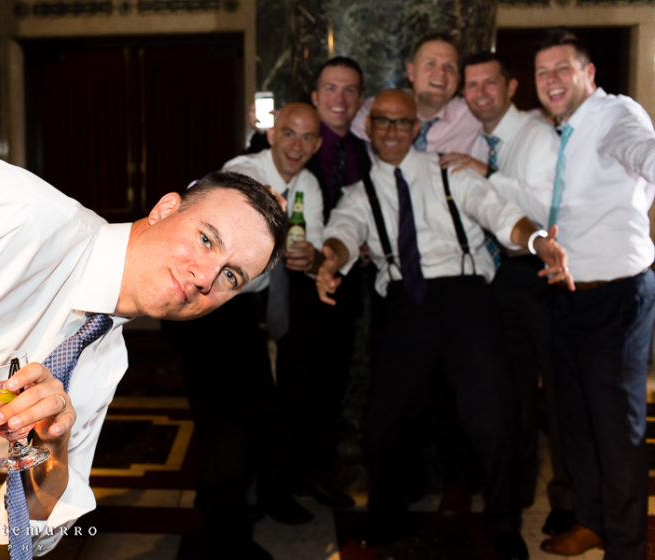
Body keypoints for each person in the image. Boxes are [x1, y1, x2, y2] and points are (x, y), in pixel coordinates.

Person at [0, 150, 287, 560]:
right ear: (165, 209)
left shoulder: (101, 359)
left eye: (231, 277)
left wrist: (53, 453)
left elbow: (31, 530)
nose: (206, 277)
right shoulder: (6, 209)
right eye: (207, 239)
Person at [316, 89, 574, 560]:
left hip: (464, 298)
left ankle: (502, 522)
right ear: (369, 128)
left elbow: (502, 216)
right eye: (383, 122)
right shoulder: (358, 192)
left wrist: (537, 241)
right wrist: (330, 259)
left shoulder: (449, 173)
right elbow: (343, 232)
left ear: (417, 128)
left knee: (493, 419)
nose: (393, 131)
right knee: (382, 423)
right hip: (402, 304)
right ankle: (387, 515)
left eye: (402, 122)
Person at [513, 29, 655, 559]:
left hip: (617, 297)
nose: (551, 80)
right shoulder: (562, 130)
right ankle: (593, 522)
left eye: (562, 69)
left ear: (588, 74)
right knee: (574, 419)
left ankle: (625, 546)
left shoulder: (616, 116)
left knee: (617, 430)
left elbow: (642, 151)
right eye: (542, 72)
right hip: (567, 294)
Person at [170, 103, 324, 560]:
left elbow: (306, 241)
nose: (297, 145)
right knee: (226, 421)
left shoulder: (309, 184)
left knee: (249, 415)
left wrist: (310, 256)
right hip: (209, 304)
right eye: (289, 134)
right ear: (272, 134)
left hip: (243, 309)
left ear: (317, 144)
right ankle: (222, 528)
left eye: (308, 138)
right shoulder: (244, 174)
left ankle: (224, 513)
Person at [438, 51, 575, 536]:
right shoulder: (485, 137)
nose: (479, 93)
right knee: (514, 393)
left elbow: (546, 206)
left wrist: (487, 173)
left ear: (511, 86)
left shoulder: (534, 135)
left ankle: (570, 500)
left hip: (543, 271)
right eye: (471, 86)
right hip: (507, 279)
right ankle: (515, 489)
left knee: (558, 394)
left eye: (489, 84)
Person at [247, 57, 371, 509]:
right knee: (275, 394)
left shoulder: (367, 148)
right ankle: (270, 484)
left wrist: (332, 254)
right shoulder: (260, 161)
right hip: (269, 294)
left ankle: (308, 475)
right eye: (331, 88)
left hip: (334, 285)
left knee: (325, 388)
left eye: (350, 90)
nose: (340, 98)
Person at [351, 32, 482, 154]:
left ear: (458, 78)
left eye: (449, 67)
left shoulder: (472, 115)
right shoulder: (376, 111)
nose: (441, 73)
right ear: (411, 72)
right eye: (431, 64)